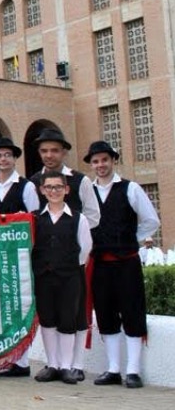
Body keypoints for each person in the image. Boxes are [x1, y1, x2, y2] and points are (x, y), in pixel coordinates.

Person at [84, 141, 159, 389]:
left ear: (113, 160)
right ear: (91, 164)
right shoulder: (87, 192)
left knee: (132, 312)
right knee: (106, 314)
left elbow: (151, 220)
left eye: (104, 160)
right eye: (95, 161)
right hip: (100, 264)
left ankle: (133, 371)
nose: (100, 165)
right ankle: (113, 369)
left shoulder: (131, 188)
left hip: (127, 263)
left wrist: (130, 239)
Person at [29, 128, 100, 382]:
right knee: (49, 316)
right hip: (45, 266)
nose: (49, 155)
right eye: (44, 151)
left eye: (54, 150)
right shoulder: (32, 182)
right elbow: (30, 222)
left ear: (64, 152)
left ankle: (74, 365)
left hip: (73, 263)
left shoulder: (81, 181)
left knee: (75, 314)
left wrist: (69, 252)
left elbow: (93, 217)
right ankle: (54, 364)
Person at [0, 137, 39, 378]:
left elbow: (34, 217)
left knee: (19, 303)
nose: (3, 159)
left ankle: (22, 360)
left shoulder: (26, 186)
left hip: (20, 253)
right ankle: (9, 357)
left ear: (15, 158)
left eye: (7, 155)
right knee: (3, 305)